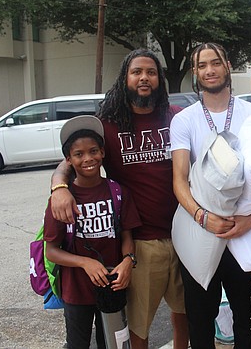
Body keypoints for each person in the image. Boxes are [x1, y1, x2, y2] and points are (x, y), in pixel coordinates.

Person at [50, 49, 189, 349]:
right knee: (139, 323)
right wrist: (58, 186)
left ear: (159, 79)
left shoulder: (177, 117)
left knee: (183, 312)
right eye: (137, 72)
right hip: (140, 240)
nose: (144, 78)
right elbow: (73, 157)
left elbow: (215, 122)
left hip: (185, 233)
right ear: (125, 78)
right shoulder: (108, 124)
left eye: (151, 72)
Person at [170, 42, 251, 348]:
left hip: (241, 235)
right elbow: (179, 180)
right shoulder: (184, 120)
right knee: (200, 321)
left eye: (215, 63)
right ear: (195, 72)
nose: (209, 70)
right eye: (202, 65)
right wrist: (203, 218)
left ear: (227, 65)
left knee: (244, 319)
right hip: (200, 232)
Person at [44, 115, 141, 349]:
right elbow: (52, 252)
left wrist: (128, 260)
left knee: (111, 342)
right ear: (69, 160)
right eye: (79, 154)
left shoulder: (118, 192)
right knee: (77, 344)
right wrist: (85, 263)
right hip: (76, 290)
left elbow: (127, 236)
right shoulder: (61, 201)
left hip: (111, 286)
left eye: (93, 151)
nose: (88, 159)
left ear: (103, 153)